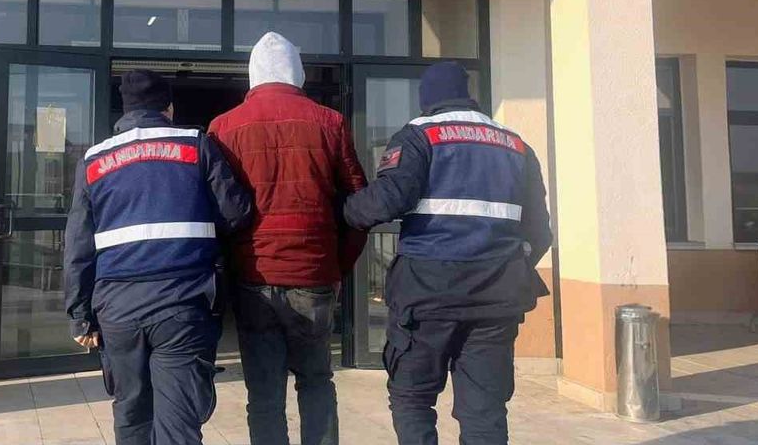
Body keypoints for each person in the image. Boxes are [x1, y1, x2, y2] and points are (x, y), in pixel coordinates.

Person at [343, 61, 553, 445]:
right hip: (496, 300)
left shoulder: (419, 136)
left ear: (428, 98)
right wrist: (505, 266)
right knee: (485, 410)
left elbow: (386, 201)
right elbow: (539, 232)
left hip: (428, 295)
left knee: (412, 397)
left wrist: (344, 210)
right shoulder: (516, 145)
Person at [64, 69, 253, 445]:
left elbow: (78, 246)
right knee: (178, 421)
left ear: (125, 110)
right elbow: (236, 213)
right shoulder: (196, 145)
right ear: (168, 108)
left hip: (117, 309)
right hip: (183, 305)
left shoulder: (94, 160)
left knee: (131, 413)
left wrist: (80, 316)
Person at [208, 32, 368, 445]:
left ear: (253, 74)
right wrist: (336, 265)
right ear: (298, 73)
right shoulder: (330, 122)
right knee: (316, 381)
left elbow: (217, 212)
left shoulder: (223, 128)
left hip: (254, 276)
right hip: (313, 273)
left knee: (263, 393)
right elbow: (359, 205)